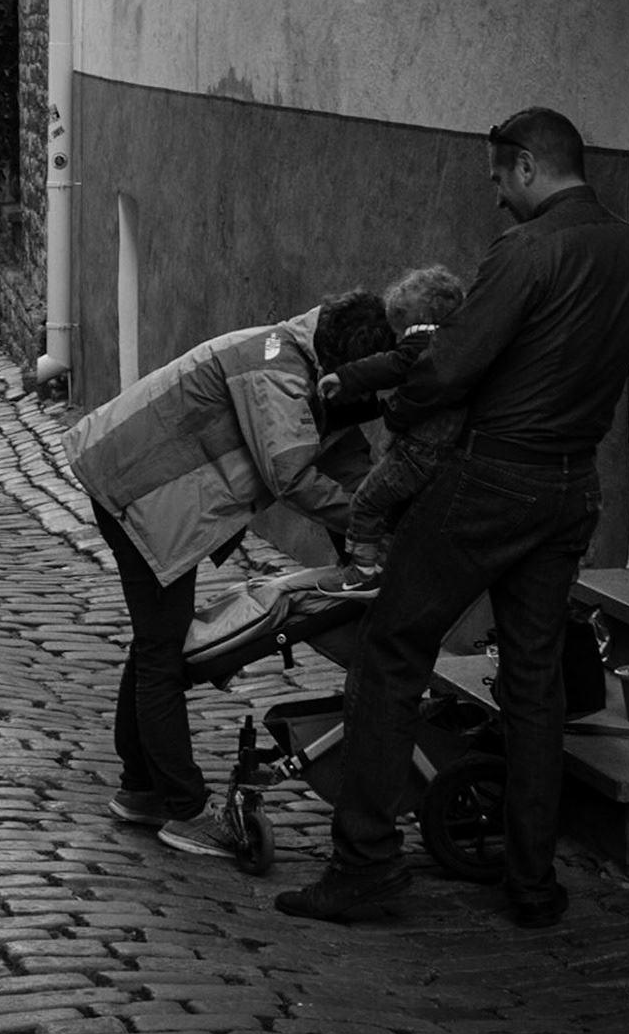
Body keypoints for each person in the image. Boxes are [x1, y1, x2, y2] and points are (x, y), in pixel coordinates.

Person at [275, 107, 629, 928]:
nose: (495, 199)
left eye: (496, 179)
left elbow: (449, 362)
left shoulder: (525, 251)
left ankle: (366, 863)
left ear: (527, 167)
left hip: (494, 479)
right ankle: (531, 879)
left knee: (390, 649)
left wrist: (401, 408)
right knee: (533, 679)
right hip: (571, 484)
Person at [64, 292, 397, 858]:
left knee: (155, 645)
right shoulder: (275, 366)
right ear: (341, 364)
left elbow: (342, 460)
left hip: (148, 489)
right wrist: (369, 527)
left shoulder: (310, 361)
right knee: (163, 655)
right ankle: (184, 810)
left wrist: (373, 534)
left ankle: (142, 788)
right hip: (138, 491)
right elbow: (293, 472)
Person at [312, 264, 469, 599]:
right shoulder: (463, 344)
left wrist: (345, 376)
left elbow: (394, 363)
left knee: (367, 502)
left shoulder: (425, 341)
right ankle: (385, 565)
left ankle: (362, 572)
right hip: (445, 451)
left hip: (417, 449)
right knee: (395, 509)